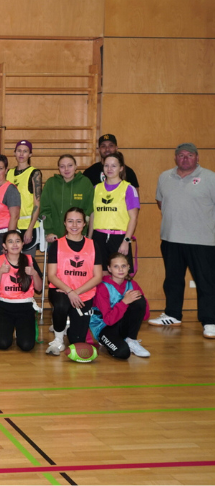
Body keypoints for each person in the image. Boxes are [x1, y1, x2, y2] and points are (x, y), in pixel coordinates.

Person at [151, 143, 215, 339]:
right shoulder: (165, 177)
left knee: (206, 282)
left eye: (189, 155)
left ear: (197, 157)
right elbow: (161, 202)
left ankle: (210, 321)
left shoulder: (210, 178)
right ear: (175, 157)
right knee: (172, 280)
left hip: (203, 241)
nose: (185, 158)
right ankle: (172, 315)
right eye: (181, 155)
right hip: (171, 239)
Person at [46, 208, 104, 355]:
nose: (74, 225)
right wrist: (70, 291)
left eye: (78, 221)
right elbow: (51, 275)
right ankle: (58, 338)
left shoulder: (93, 245)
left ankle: (69, 325)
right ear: (65, 223)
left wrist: (76, 292)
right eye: (70, 221)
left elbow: (98, 276)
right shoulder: (57, 245)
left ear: (84, 224)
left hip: (83, 294)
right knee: (61, 305)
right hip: (61, 290)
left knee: (77, 341)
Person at [90, 253, 150, 359]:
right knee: (122, 353)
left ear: (128, 267)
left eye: (123, 266)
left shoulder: (133, 284)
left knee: (139, 300)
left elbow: (145, 316)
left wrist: (137, 306)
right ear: (109, 269)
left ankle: (131, 340)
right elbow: (108, 320)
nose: (120, 269)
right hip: (104, 327)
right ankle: (109, 340)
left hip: (121, 324)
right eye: (116, 266)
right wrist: (124, 302)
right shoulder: (102, 287)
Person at [88, 152, 139, 271]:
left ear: (121, 168)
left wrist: (126, 240)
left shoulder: (128, 189)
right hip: (99, 237)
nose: (109, 169)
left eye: (113, 166)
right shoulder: (96, 189)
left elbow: (133, 218)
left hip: (119, 238)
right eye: (106, 165)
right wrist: (89, 239)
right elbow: (93, 215)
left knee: (120, 274)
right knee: (99, 274)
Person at [0, 230, 42, 352]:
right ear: (4, 245)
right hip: (4, 307)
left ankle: (20, 331)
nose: (14, 244)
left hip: (25, 308)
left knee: (27, 346)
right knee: (2, 344)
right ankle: (11, 329)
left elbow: (39, 288)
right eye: (10, 242)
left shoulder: (30, 260)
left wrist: (34, 273)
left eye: (17, 241)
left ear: (22, 244)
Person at [42, 154, 94, 244]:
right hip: (55, 237)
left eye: (70, 165)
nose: (66, 169)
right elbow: (45, 209)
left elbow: (89, 210)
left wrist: (84, 232)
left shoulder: (85, 183)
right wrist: (49, 231)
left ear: (75, 167)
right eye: (62, 166)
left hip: (78, 236)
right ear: (58, 168)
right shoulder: (51, 183)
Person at [6, 140, 42, 256]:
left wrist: (30, 228)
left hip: (28, 226)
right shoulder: (9, 173)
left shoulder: (34, 173)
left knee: (27, 261)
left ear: (30, 154)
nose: (21, 154)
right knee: (11, 261)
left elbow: (37, 204)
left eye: (25, 151)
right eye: (19, 151)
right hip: (12, 225)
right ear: (14, 153)